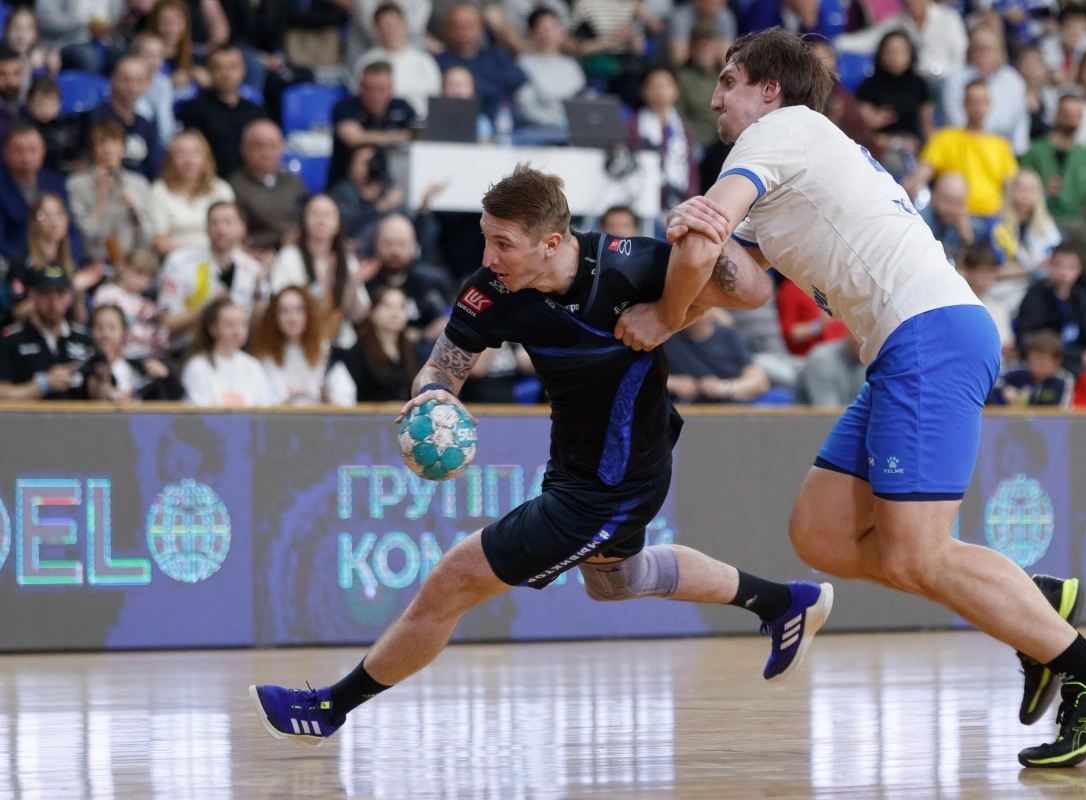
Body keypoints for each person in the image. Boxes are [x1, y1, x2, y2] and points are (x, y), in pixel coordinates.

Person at [616, 29, 1086, 767]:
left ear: (770, 91)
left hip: (928, 336)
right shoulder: (796, 156)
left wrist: (661, 316)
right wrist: (691, 267)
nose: (714, 99)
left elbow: (703, 249)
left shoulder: (778, 131)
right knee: (822, 534)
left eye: (729, 81)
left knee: (916, 552)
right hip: (911, 344)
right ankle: (1031, 602)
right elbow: (747, 286)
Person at [251, 164, 830, 748]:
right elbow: (441, 366)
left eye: (503, 243)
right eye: (485, 238)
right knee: (616, 581)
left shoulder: (630, 265)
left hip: (614, 483)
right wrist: (434, 394)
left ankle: (327, 708)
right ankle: (785, 602)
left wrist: (706, 234)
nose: (489, 256)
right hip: (576, 464)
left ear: (552, 243)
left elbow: (751, 291)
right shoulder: (492, 290)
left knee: (453, 579)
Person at [157, 201, 266, 353]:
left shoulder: (254, 269)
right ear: (206, 228)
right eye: (214, 223)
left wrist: (259, 291)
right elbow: (166, 324)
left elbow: (257, 328)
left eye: (228, 222)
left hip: (238, 351)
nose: (221, 229)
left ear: (242, 227)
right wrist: (208, 307)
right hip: (188, 348)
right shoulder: (179, 262)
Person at [909, 81, 1018, 228]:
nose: (977, 107)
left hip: (993, 217)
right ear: (964, 104)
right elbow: (925, 170)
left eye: (982, 101)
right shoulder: (944, 138)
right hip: (953, 215)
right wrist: (913, 182)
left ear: (989, 105)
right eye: (973, 101)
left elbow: (1011, 184)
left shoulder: (1001, 145)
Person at [271, 194, 374, 348]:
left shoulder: (347, 261)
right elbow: (280, 303)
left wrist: (352, 284)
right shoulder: (289, 256)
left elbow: (359, 316)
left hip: (340, 343)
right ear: (304, 221)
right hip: (300, 342)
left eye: (328, 215)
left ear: (338, 224)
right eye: (315, 214)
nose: (321, 220)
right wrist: (324, 284)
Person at [247, 285, 357, 407]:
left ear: (309, 314)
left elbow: (346, 398)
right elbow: (260, 398)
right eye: (284, 311)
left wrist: (329, 399)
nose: (292, 318)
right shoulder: (265, 357)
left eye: (299, 310)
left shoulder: (327, 353)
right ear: (274, 317)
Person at [0, 266, 96, 401]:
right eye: (46, 294)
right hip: (29, 414)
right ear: (33, 295)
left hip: (79, 414)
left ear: (68, 297)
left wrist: (103, 377)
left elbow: (97, 394)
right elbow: (2, 393)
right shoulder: (11, 341)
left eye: (59, 294)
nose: (53, 302)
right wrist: (43, 384)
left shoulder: (84, 340)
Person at [67, 120, 155, 263]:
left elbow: (149, 239)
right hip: (94, 261)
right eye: (101, 143)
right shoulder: (76, 185)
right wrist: (100, 198)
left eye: (114, 142)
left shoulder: (139, 184)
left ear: (123, 148)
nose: (108, 149)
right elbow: (82, 236)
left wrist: (136, 214)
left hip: (132, 261)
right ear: (92, 149)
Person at [175, 47, 268, 181]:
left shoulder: (256, 111)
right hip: (209, 182)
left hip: (251, 183)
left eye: (232, 67)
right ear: (209, 71)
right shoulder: (193, 109)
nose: (226, 74)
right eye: (219, 68)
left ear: (243, 71)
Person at [7, 193, 99, 327]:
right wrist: (70, 288)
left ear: (67, 221)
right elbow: (17, 313)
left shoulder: (72, 264)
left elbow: (80, 319)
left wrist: (78, 291)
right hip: (31, 332)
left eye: (59, 214)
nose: (53, 222)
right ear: (32, 222)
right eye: (44, 215)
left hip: (63, 333)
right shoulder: (21, 262)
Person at [365, 214, 454, 348]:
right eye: (388, 244)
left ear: (414, 245)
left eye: (402, 244)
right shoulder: (365, 280)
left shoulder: (432, 281)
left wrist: (422, 335)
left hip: (422, 350)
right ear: (375, 244)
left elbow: (448, 319)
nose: (395, 251)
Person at [0, 125, 83, 263]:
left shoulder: (55, 183)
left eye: (32, 150)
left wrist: (68, 262)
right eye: (19, 151)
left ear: (43, 152)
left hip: (57, 262)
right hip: (15, 264)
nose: (26, 158)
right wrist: (29, 264)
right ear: (6, 152)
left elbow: (71, 230)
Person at [939, 28, 1030, 154]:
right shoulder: (955, 80)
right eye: (978, 49)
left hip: (1003, 153)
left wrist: (1018, 154)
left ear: (1001, 53)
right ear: (969, 52)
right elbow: (957, 122)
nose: (983, 54)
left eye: (988, 49)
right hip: (964, 150)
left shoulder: (1014, 81)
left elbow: (1019, 125)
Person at [1016, 243, 1086, 375]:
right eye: (1058, 265)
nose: (1064, 272)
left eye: (1071, 267)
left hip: (1075, 359)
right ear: (1049, 265)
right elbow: (1031, 339)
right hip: (1043, 361)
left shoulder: (1082, 297)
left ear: (1079, 270)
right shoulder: (1035, 296)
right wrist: (1079, 355)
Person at [329, 62, 416, 189]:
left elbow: (418, 134)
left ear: (391, 89)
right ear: (361, 86)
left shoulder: (402, 107)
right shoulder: (345, 107)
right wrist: (397, 136)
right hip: (345, 186)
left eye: (381, 89)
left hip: (392, 186)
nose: (376, 96)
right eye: (370, 88)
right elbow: (353, 138)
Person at [148, 131, 236, 255]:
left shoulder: (221, 189)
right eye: (181, 154)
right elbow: (160, 242)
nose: (189, 160)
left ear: (206, 160)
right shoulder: (159, 191)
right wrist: (196, 256)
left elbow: (235, 233)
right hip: (177, 259)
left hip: (220, 256)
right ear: (170, 161)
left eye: (195, 153)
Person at [435, 4, 527, 121]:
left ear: (480, 27)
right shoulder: (441, 62)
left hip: (504, 121)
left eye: (469, 26)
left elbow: (519, 79)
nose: (463, 33)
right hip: (462, 122)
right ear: (447, 30)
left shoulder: (496, 56)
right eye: (457, 27)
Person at [229, 120, 308, 254]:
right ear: (243, 149)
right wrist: (281, 240)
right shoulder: (234, 187)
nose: (266, 153)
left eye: (273, 146)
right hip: (259, 254)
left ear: (282, 148)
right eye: (258, 146)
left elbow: (307, 217)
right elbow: (240, 237)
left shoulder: (294, 182)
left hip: (299, 251)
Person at [627, 68, 700, 213]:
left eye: (666, 85)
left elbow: (690, 168)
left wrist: (692, 200)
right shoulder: (633, 125)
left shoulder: (683, 127)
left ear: (676, 90)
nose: (660, 91)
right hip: (641, 197)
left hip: (679, 199)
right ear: (643, 91)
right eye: (654, 86)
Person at [1019, 94, 1086, 222]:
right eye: (1068, 113)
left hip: (1077, 223)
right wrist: (1043, 193)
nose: (1072, 119)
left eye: (1077, 114)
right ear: (1057, 114)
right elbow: (1020, 186)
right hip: (1040, 220)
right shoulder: (1036, 150)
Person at [181, 297, 274, 407]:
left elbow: (265, 408)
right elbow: (199, 411)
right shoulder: (198, 366)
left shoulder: (253, 365)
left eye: (243, 324)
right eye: (230, 325)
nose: (238, 331)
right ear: (213, 328)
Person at [355, 3, 442, 120]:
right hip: (385, 123)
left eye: (395, 24)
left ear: (404, 25)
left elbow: (436, 96)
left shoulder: (424, 60)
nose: (391, 29)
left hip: (424, 122)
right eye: (386, 25)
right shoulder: (367, 61)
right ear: (377, 29)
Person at [854, 30, 931, 162]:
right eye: (890, 51)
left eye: (901, 52)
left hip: (912, 146)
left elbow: (927, 127)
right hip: (878, 147)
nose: (895, 57)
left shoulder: (919, 85)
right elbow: (859, 127)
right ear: (881, 54)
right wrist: (872, 123)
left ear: (911, 54)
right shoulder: (869, 85)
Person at [664, 308, 770, 403]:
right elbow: (653, 377)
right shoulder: (668, 339)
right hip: (685, 410)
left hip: (729, 409)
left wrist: (724, 387)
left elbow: (759, 382)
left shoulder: (729, 337)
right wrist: (673, 383)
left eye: (701, 306)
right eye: (691, 306)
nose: (696, 313)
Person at [81, 304, 182, 403]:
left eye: (112, 327)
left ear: (124, 332)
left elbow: (175, 397)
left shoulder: (139, 365)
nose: (105, 334)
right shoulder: (88, 366)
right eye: (99, 327)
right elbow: (95, 394)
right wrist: (109, 391)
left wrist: (166, 377)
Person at [988, 170, 1061, 306]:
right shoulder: (997, 225)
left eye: (1031, 190)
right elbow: (993, 271)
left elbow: (1053, 260)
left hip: (1038, 287)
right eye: (1021, 189)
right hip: (1004, 289)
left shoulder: (1047, 226)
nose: (1025, 195)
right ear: (1011, 192)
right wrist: (1031, 270)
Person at [85, 56, 162, 181]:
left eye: (139, 81)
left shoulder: (147, 125)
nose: (132, 87)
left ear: (148, 84)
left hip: (138, 188)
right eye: (126, 80)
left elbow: (154, 168)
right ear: (113, 80)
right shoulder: (94, 118)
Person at [514, 9, 585, 138]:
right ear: (532, 33)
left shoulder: (571, 65)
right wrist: (556, 122)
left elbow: (581, 99)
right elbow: (525, 104)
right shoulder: (523, 64)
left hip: (572, 129)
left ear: (561, 32)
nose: (547, 34)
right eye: (542, 29)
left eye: (552, 28)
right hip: (535, 130)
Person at [91, 248, 168, 360]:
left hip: (147, 356)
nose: (143, 280)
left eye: (148, 277)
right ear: (123, 267)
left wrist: (159, 323)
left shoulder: (146, 303)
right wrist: (136, 318)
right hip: (118, 356)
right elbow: (104, 325)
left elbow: (161, 344)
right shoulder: (106, 293)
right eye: (139, 273)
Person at [869, 0, 966, 83]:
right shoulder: (896, 22)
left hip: (944, 78)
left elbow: (961, 53)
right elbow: (870, 39)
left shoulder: (949, 19)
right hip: (913, 80)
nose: (913, 2)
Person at [331, 145, 404, 246]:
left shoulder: (388, 189)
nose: (370, 167)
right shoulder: (343, 191)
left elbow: (405, 225)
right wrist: (379, 208)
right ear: (351, 166)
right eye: (364, 163)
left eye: (372, 162)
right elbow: (346, 227)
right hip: (356, 249)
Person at [988, 329, 1075, 407]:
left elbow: (1063, 410)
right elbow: (993, 381)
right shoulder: (1017, 371)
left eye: (1042, 364)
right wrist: (1005, 389)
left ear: (1057, 361)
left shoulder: (1064, 380)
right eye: (1033, 362)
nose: (1037, 368)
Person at [959, 242, 1015, 361]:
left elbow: (1006, 346)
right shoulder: (955, 305)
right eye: (982, 271)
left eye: (991, 271)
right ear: (967, 271)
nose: (987, 277)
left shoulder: (1000, 308)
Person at [24, 77, 82, 176]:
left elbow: (76, 152)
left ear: (59, 104)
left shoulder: (69, 125)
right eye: (40, 104)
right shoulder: (27, 130)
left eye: (50, 104)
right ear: (30, 104)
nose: (45, 109)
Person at [129, 32, 176, 149]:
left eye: (159, 55)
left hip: (160, 144)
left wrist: (168, 144)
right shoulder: (126, 84)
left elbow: (165, 117)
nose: (155, 60)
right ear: (134, 56)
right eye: (149, 55)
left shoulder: (163, 83)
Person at [1041, 5, 1086, 85]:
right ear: (1061, 25)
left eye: (1078, 24)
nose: (1074, 29)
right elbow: (1057, 78)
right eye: (1070, 24)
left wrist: (1076, 52)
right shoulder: (1048, 43)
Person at [797, 334, 864, 407]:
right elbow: (828, 411)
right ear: (851, 331)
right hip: (812, 414)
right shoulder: (823, 360)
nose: (866, 342)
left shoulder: (867, 361)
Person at [919, 173, 974, 262]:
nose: (953, 209)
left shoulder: (960, 224)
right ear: (934, 196)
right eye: (948, 201)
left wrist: (967, 239)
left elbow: (963, 266)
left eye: (959, 203)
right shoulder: (920, 222)